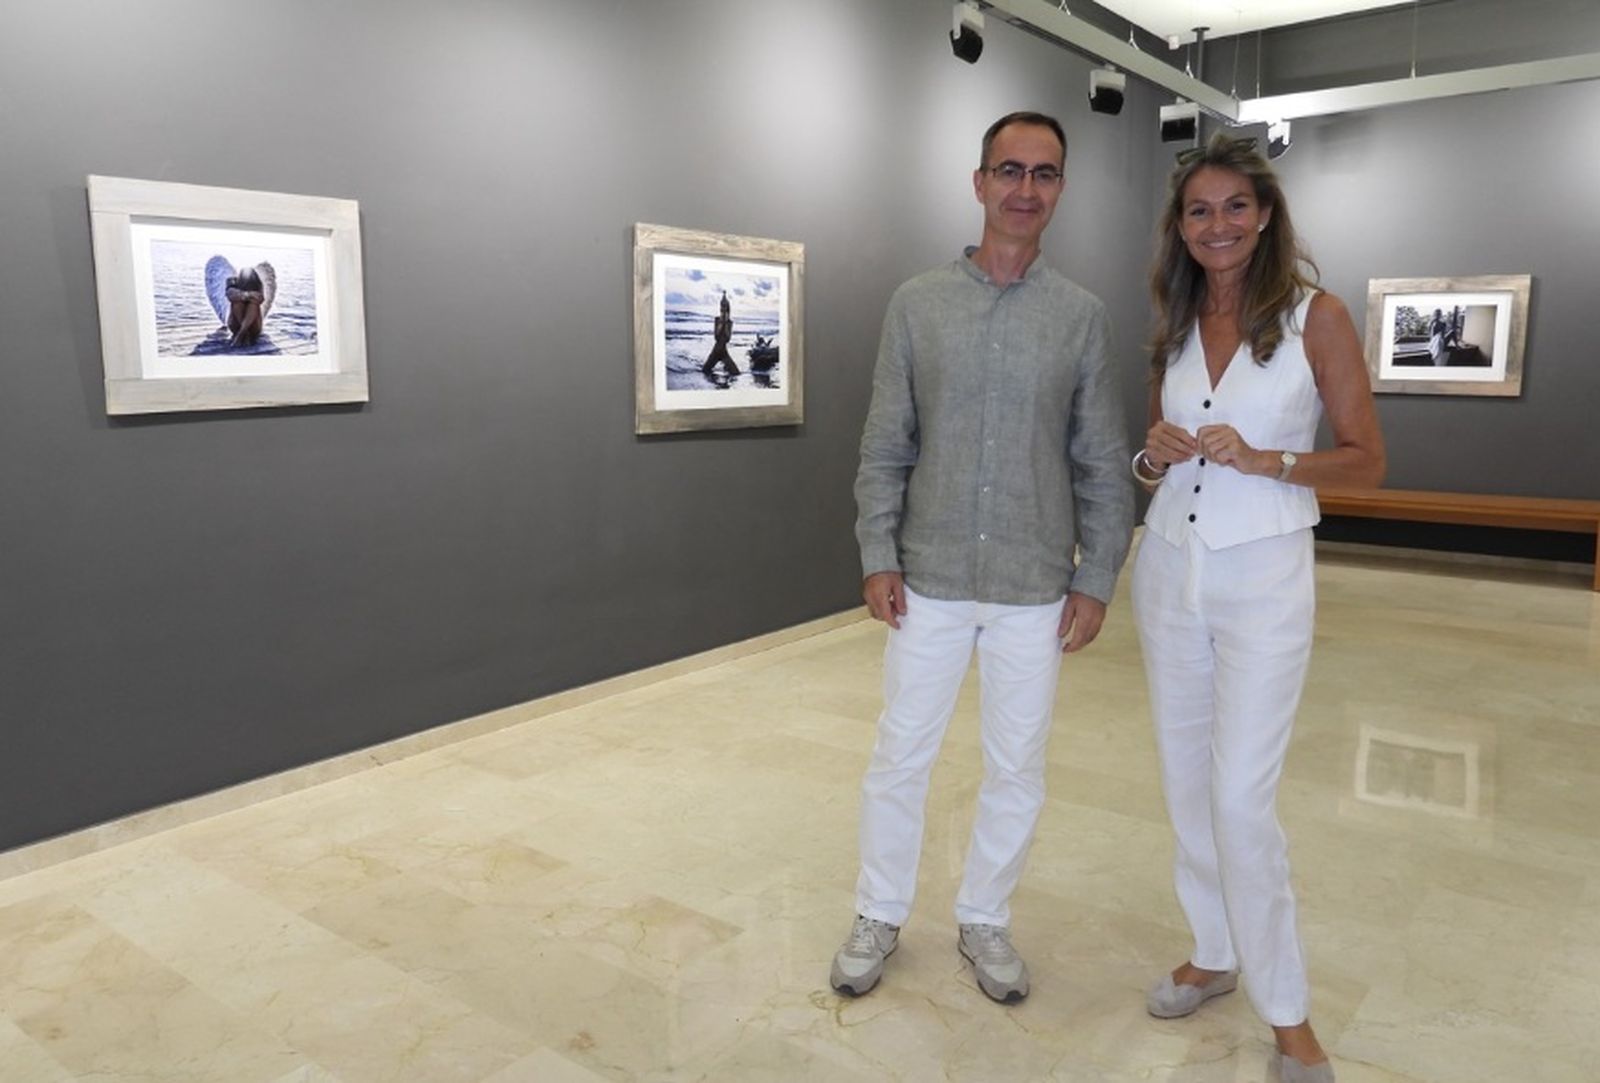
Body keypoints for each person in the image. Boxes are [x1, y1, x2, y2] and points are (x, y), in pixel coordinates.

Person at [833, 111, 1133, 1004]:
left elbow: (1099, 458)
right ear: (978, 182)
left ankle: (986, 918)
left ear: (1060, 191)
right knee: (900, 756)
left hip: (1034, 587)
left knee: (1016, 766)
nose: (1025, 189)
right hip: (927, 579)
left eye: (1044, 174)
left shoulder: (1079, 318)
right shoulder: (917, 304)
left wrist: (1097, 574)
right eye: (1010, 170)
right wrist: (876, 550)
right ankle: (879, 910)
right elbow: (886, 440)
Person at [1130, 132, 1385, 1083]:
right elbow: (1151, 464)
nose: (1217, 225)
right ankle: (1213, 949)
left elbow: (1367, 458)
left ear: (1266, 215)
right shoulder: (1176, 322)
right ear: (1180, 229)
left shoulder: (1317, 317)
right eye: (1199, 210)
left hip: (1265, 577)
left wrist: (1272, 459)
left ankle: (1289, 1013)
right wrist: (1153, 455)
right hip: (1168, 567)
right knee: (1186, 783)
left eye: (1236, 205)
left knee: (1242, 799)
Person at [701, 290, 739, 379]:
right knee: (705, 371)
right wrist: (721, 323)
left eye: (725, 308)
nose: (723, 310)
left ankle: (725, 368)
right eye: (722, 308)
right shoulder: (717, 320)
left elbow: (728, 339)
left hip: (723, 352)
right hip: (716, 351)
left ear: (728, 309)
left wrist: (725, 323)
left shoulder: (729, 322)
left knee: (735, 373)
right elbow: (716, 337)